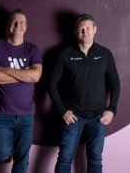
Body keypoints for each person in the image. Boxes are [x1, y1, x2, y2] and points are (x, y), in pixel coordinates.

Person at [49, 13, 120, 173]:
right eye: (81, 29)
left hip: (98, 118)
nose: (85, 32)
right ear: (76, 32)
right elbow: (51, 83)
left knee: (95, 159)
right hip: (73, 117)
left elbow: (115, 82)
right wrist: (62, 110)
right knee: (65, 158)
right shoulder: (65, 54)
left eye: (88, 28)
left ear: (95, 30)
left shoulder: (105, 54)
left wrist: (112, 109)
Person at [0, 8, 42, 173]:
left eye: (22, 23)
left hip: (26, 115)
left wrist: (3, 69)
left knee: (22, 161)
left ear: (26, 27)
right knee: (2, 154)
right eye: (14, 22)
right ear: (8, 25)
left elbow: (36, 76)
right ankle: (5, 155)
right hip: (0, 114)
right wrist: (24, 74)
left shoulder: (32, 50)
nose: (18, 26)